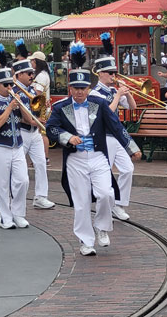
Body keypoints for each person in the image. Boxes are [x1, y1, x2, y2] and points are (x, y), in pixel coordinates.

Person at [46, 41, 141, 256]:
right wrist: (68, 138)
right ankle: (85, 241)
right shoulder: (60, 107)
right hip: (75, 160)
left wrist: (131, 147)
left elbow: (116, 125)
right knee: (80, 203)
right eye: (76, 89)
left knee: (106, 194)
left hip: (98, 156)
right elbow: (50, 128)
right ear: (69, 88)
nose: (79, 93)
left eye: (83, 89)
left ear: (89, 88)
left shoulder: (99, 104)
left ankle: (101, 226)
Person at [0, 45, 30, 229]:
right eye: (6, 85)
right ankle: (5, 217)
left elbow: (28, 121)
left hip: (17, 145)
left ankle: (18, 213)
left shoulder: (17, 98)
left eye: (11, 84)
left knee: (23, 180)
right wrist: (10, 107)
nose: (10, 87)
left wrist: (22, 107)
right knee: (2, 184)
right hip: (1, 147)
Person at [91, 49, 137, 221]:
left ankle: (118, 204)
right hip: (103, 136)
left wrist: (129, 92)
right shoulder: (95, 93)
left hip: (116, 136)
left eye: (115, 73)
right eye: (110, 73)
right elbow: (106, 114)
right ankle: (105, 205)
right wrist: (118, 95)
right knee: (106, 172)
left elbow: (132, 107)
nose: (113, 76)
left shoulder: (112, 91)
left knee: (128, 169)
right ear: (101, 73)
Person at [12, 58, 55, 209]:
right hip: (21, 132)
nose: (32, 76)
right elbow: (22, 115)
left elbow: (35, 109)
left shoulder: (31, 90)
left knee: (41, 163)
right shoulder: (15, 90)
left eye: (32, 73)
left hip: (34, 132)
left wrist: (42, 111)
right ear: (19, 74)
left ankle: (41, 197)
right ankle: (16, 197)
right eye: (29, 73)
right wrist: (34, 120)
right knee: (18, 168)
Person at [30, 51, 52, 163]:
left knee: (41, 133)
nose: (31, 63)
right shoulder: (43, 74)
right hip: (42, 107)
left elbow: (37, 93)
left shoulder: (41, 76)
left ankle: (45, 157)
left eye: (32, 61)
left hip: (41, 108)